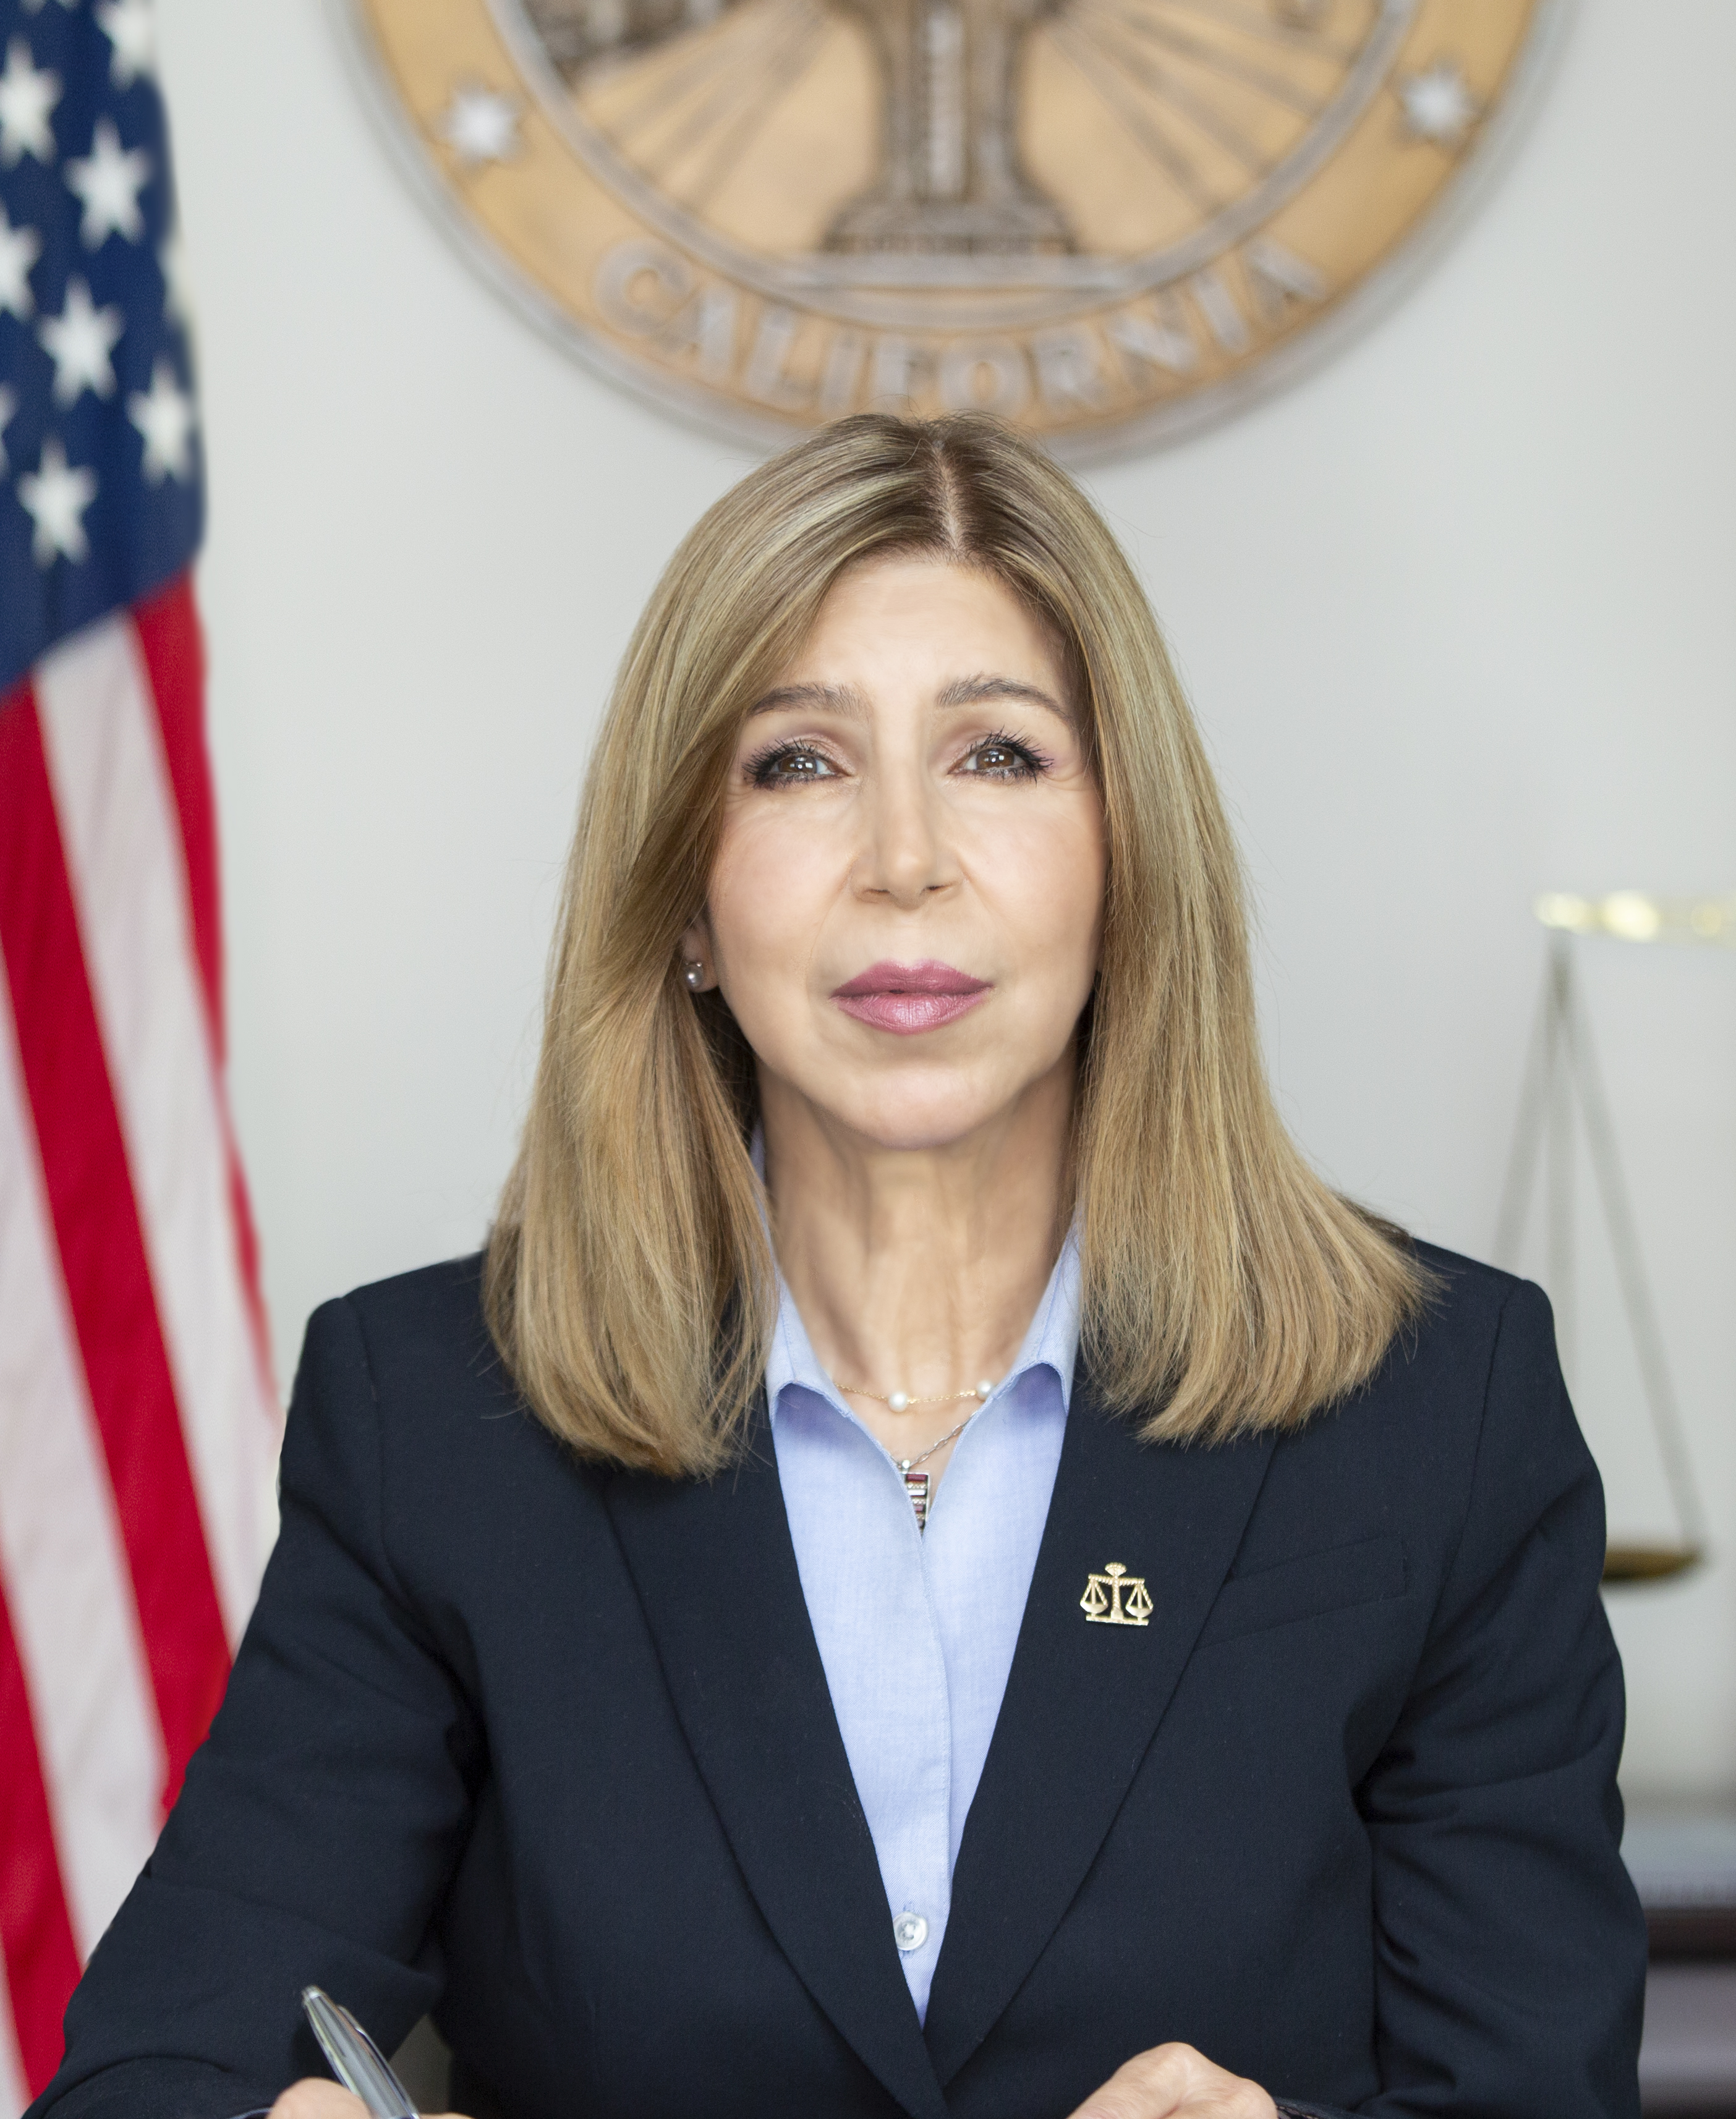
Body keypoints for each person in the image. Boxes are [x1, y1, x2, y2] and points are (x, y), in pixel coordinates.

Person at [30, 414, 1646, 2119]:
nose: (903, 860)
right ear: (686, 901)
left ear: (1130, 861)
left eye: (998, 754)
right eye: (799, 763)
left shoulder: (1440, 1412)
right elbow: (155, 2073)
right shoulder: (432, 1419)